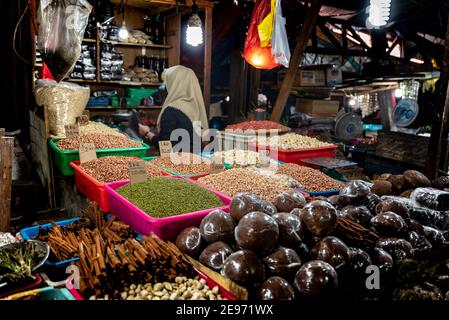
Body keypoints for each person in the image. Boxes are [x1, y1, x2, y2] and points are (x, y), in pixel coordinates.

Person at [138, 65, 209, 153]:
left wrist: (147, 133)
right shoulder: (195, 107)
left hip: (176, 164)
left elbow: (165, 147)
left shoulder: (171, 111)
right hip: (194, 161)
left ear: (174, 84)